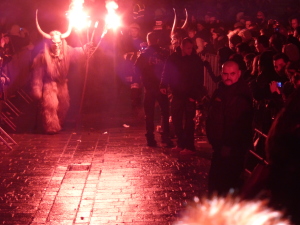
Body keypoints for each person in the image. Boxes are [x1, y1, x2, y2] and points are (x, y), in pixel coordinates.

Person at [31, 12, 83, 134]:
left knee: (64, 105)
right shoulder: (42, 56)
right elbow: (37, 75)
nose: (56, 45)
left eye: (59, 43)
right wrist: (37, 89)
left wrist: (87, 48)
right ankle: (51, 127)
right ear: (49, 43)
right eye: (54, 43)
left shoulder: (67, 51)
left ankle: (59, 123)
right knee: (50, 106)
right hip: (49, 84)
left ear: (62, 42)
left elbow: (78, 53)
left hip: (62, 83)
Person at [206, 61, 253, 195]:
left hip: (231, 149)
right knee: (217, 185)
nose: (228, 77)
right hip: (220, 147)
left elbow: (239, 124)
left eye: (232, 74)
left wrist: (229, 145)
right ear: (221, 74)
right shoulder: (221, 90)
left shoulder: (240, 95)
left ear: (238, 74)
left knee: (225, 185)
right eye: (225, 74)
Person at [160, 37, 204, 155]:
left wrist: (195, 95)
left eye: (191, 48)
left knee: (189, 121)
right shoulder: (173, 58)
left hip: (189, 94)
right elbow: (166, 71)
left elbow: (199, 79)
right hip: (177, 93)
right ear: (181, 47)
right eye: (188, 48)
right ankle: (181, 143)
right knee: (176, 119)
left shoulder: (195, 60)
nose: (190, 50)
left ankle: (189, 146)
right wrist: (163, 84)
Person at [134, 31, 172, 147]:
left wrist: (143, 79)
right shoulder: (164, 53)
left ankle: (150, 138)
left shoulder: (144, 54)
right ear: (157, 40)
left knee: (149, 113)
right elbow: (170, 68)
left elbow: (136, 68)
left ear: (148, 40)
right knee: (165, 112)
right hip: (161, 86)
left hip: (149, 87)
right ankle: (165, 137)